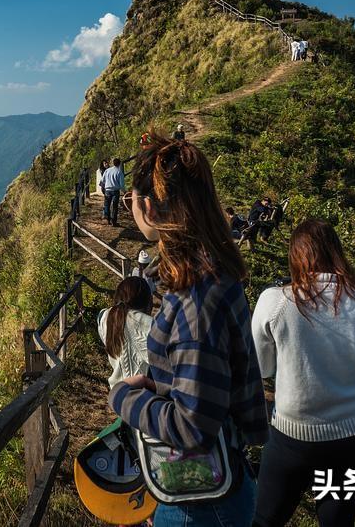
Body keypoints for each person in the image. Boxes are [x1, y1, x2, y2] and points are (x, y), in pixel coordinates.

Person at [112, 131, 267, 525]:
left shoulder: (195, 301)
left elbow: (191, 426)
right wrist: (160, 384)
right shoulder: (214, 277)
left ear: (147, 207)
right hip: (217, 482)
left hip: (199, 504)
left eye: (131, 199)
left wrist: (123, 400)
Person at [251, 219, 355, 527]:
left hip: (293, 434)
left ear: (295, 257)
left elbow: (262, 368)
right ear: (336, 253)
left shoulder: (275, 301)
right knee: (337, 521)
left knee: (263, 518)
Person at [97, 276, 156, 388]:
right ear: (148, 302)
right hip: (143, 395)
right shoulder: (150, 326)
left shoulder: (106, 317)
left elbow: (101, 316)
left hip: (117, 393)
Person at [101, 156, 125, 227]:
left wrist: (103, 188)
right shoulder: (119, 172)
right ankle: (114, 222)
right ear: (119, 164)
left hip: (107, 190)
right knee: (115, 206)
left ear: (113, 163)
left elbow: (103, 181)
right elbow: (121, 184)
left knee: (107, 205)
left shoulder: (107, 170)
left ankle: (107, 219)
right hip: (115, 191)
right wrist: (124, 192)